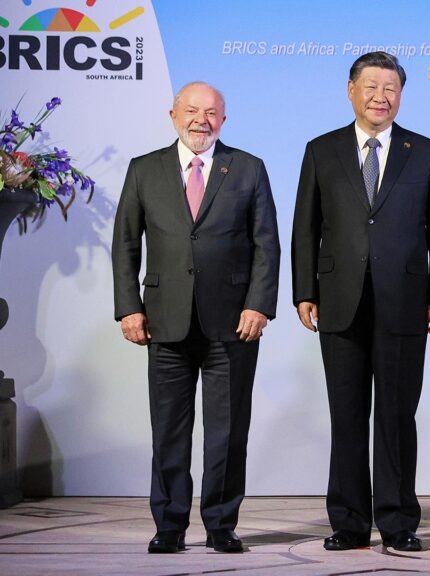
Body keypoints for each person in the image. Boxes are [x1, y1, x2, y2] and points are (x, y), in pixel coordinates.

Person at [291, 51, 430, 553]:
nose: (381, 96)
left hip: (405, 301)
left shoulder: (426, 151)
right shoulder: (321, 150)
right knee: (346, 416)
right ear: (351, 90)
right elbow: (305, 227)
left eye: (390, 88)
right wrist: (303, 291)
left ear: (401, 95)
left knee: (396, 416)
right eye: (371, 86)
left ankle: (398, 520)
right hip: (339, 300)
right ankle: (348, 522)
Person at [112, 81, 281, 554]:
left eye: (211, 112)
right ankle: (168, 526)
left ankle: (222, 526)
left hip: (233, 324)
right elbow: (125, 244)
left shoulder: (247, 168)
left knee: (228, 434)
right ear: (173, 115)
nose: (200, 120)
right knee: (168, 431)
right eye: (191, 110)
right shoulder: (144, 170)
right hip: (164, 322)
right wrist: (129, 306)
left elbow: (266, 243)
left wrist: (258, 304)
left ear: (223, 120)